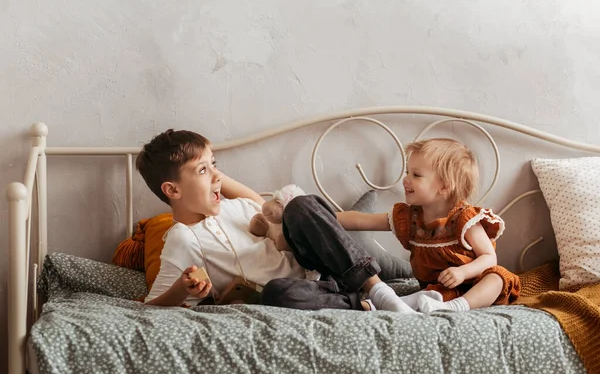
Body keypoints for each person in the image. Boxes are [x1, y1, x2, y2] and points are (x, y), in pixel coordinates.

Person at [136, 129, 411, 311]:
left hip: (329, 264)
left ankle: (377, 289)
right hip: (308, 293)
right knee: (275, 294)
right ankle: (362, 304)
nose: (217, 176)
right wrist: (182, 290)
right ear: (172, 190)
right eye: (203, 170)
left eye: (215, 164)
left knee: (300, 206)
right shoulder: (183, 238)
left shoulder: (239, 206)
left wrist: (209, 172)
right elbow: (151, 306)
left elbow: (265, 205)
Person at [334, 138, 521, 312]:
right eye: (408, 172)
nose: (406, 179)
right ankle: (410, 304)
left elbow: (489, 257)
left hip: (474, 284)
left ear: (445, 187)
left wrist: (463, 272)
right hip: (437, 290)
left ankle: (458, 307)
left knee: (497, 277)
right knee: (431, 295)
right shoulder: (409, 217)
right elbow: (361, 220)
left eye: (416, 175)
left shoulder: (464, 220)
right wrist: (324, 215)